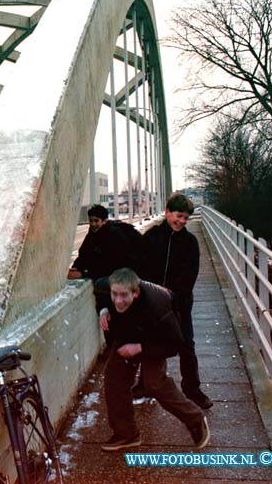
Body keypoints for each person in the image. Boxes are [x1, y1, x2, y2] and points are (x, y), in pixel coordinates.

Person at [97, 268, 210, 451]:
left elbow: (173, 345)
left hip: (157, 335)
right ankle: (126, 434)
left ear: (136, 292)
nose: (118, 300)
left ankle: (195, 419)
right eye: (114, 294)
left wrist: (140, 348)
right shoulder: (105, 287)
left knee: (154, 383)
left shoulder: (157, 307)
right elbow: (99, 291)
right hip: (129, 328)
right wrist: (103, 310)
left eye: (124, 295)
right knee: (114, 378)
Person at [138, 193, 212, 409]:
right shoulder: (151, 238)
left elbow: (190, 276)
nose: (181, 221)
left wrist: (173, 298)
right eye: (178, 216)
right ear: (167, 211)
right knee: (149, 344)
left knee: (186, 346)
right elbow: (140, 270)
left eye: (185, 218)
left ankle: (192, 389)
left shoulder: (190, 242)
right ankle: (144, 384)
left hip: (179, 305)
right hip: (152, 304)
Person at [67, 204, 141, 280]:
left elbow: (111, 265)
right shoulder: (93, 233)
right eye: (91, 220)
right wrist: (76, 267)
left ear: (104, 221)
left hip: (127, 275)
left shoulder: (114, 235)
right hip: (111, 271)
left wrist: (84, 272)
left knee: (100, 284)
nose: (93, 224)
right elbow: (84, 254)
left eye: (96, 221)